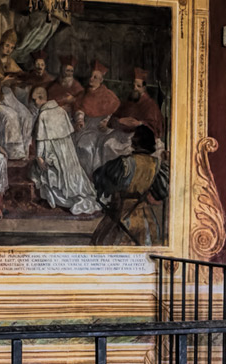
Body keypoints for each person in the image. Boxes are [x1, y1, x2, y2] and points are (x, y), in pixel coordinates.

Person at [28, 83, 100, 215]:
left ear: (41, 98)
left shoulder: (43, 115)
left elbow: (42, 141)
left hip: (52, 153)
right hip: (67, 154)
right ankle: (73, 195)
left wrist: (39, 158)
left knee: (39, 169)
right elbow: (68, 138)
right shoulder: (60, 111)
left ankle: (62, 199)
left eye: (35, 100)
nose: (34, 103)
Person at [92, 125, 168, 245]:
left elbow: (98, 176)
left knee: (108, 243)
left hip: (121, 212)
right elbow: (161, 192)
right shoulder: (156, 164)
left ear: (134, 142)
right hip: (144, 217)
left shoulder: (124, 163)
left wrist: (109, 191)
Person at [74, 58, 120, 172]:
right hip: (87, 126)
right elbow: (79, 108)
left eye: (95, 77)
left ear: (101, 80)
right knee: (84, 147)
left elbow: (114, 112)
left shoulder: (109, 95)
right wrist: (80, 120)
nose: (91, 79)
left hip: (103, 127)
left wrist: (107, 122)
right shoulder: (83, 94)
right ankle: (87, 177)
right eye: (91, 76)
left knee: (105, 148)